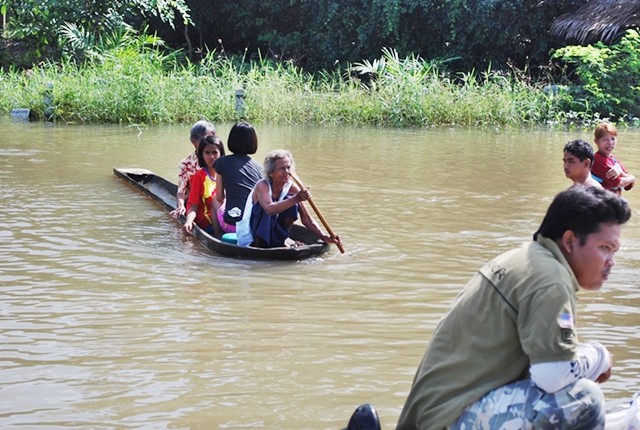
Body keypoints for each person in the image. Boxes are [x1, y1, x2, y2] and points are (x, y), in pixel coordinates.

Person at [389, 186, 632, 429]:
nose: (611, 262)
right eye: (605, 248)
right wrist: (599, 356)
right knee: (583, 399)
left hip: (436, 415)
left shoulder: (528, 260)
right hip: (449, 419)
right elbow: (552, 376)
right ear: (569, 240)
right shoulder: (551, 280)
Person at [236, 149, 342, 248]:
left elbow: (307, 220)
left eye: (288, 168)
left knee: (293, 204)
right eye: (282, 168)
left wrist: (324, 237)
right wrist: (297, 198)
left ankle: (281, 239)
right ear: (271, 173)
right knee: (267, 209)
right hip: (253, 235)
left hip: (276, 231)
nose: (287, 172)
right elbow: (269, 209)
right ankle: (260, 245)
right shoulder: (262, 185)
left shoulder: (292, 188)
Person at [214, 122, 263, 233]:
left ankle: (217, 234)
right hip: (255, 227)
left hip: (233, 226)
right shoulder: (260, 168)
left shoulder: (221, 162)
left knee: (214, 200)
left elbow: (220, 198)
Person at [170, 120, 216, 218]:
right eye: (205, 139)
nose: (209, 142)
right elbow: (181, 191)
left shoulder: (218, 160)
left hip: (214, 202)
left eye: (211, 138)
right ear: (194, 142)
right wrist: (181, 206)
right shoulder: (186, 164)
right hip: (196, 205)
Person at [182, 136, 225, 236]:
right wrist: (188, 222)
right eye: (207, 153)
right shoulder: (199, 177)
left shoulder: (225, 174)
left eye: (215, 152)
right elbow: (192, 205)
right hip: (206, 224)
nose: (211, 157)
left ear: (221, 154)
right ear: (201, 154)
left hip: (221, 220)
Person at [591, 122, 635, 196]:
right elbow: (618, 183)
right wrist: (632, 178)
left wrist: (621, 172)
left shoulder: (613, 159)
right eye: (605, 139)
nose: (610, 143)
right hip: (602, 203)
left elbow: (629, 186)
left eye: (613, 139)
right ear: (596, 141)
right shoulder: (598, 159)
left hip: (613, 202)